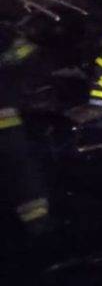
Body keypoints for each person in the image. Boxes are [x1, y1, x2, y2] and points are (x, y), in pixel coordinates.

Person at [0, 31, 52, 237]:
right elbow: (31, 55)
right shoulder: (4, 35)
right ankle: (36, 221)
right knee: (20, 168)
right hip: (6, 121)